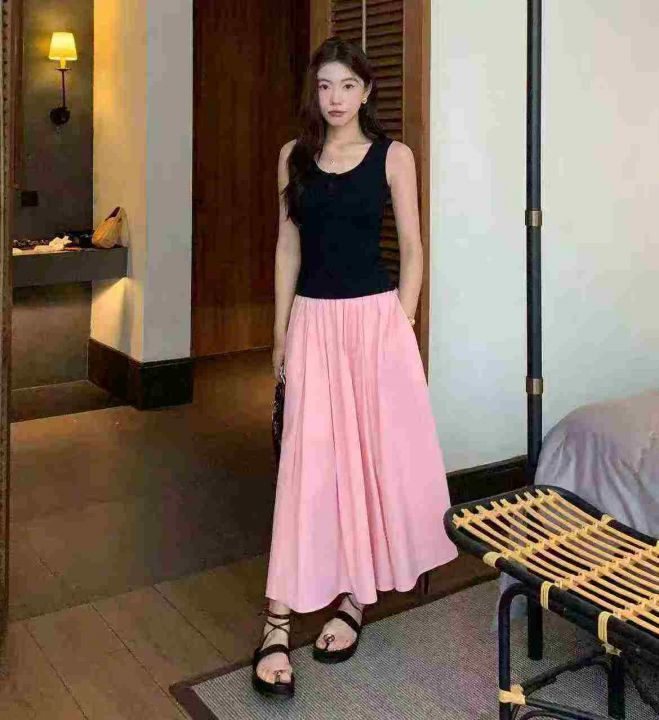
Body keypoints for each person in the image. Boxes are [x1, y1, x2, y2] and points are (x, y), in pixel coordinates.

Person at [252, 36, 458, 699]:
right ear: (314, 93)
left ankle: (351, 598)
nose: (335, 98)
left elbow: (413, 247)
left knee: (365, 461)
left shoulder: (394, 157)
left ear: (366, 92)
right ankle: (277, 621)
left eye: (346, 86)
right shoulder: (293, 156)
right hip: (313, 323)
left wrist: (401, 321)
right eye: (324, 86)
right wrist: (279, 334)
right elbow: (287, 247)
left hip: (374, 324)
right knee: (306, 465)